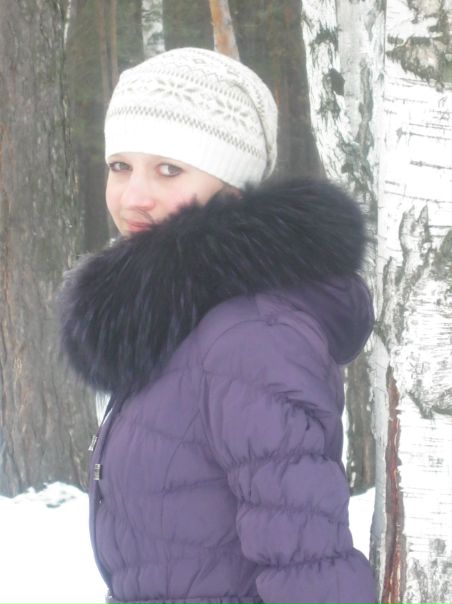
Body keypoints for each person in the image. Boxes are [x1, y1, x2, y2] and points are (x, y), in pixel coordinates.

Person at [60, 47, 377, 604]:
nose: (133, 196)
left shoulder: (249, 335)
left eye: (169, 169)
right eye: (120, 166)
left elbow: (308, 566)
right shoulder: (172, 316)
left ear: (231, 186)